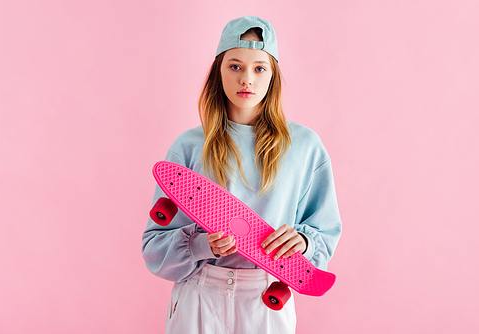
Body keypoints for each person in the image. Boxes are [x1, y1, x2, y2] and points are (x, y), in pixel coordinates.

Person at [142, 15, 342, 334]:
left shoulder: (305, 147)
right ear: (218, 72)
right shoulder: (188, 147)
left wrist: (303, 241)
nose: (246, 79)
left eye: (259, 68)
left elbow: (326, 230)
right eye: (235, 66)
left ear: (273, 75)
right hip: (200, 295)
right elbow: (154, 245)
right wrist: (202, 244)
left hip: (265, 301)